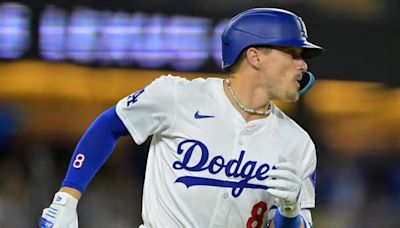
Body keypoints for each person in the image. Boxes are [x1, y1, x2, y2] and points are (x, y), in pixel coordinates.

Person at [39, 7, 323, 228]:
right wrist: (67, 196)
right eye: (293, 53)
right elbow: (109, 126)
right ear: (255, 56)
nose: (302, 64)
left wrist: (289, 213)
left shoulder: (297, 143)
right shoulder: (177, 96)